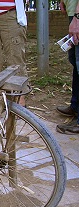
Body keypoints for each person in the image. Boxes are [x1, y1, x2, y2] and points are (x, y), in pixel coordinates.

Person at [56, 0, 79, 134]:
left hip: (77, 14)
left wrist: (77, 16)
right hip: (74, 11)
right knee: (75, 63)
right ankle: (75, 107)